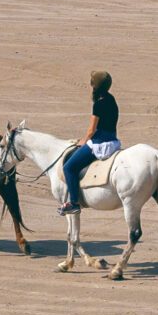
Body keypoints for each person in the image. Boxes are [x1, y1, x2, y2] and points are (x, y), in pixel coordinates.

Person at [59, 71, 121, 214]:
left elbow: (91, 130)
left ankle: (74, 202)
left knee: (69, 167)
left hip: (100, 144)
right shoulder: (112, 99)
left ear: (95, 86)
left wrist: (82, 141)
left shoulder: (98, 104)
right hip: (113, 141)